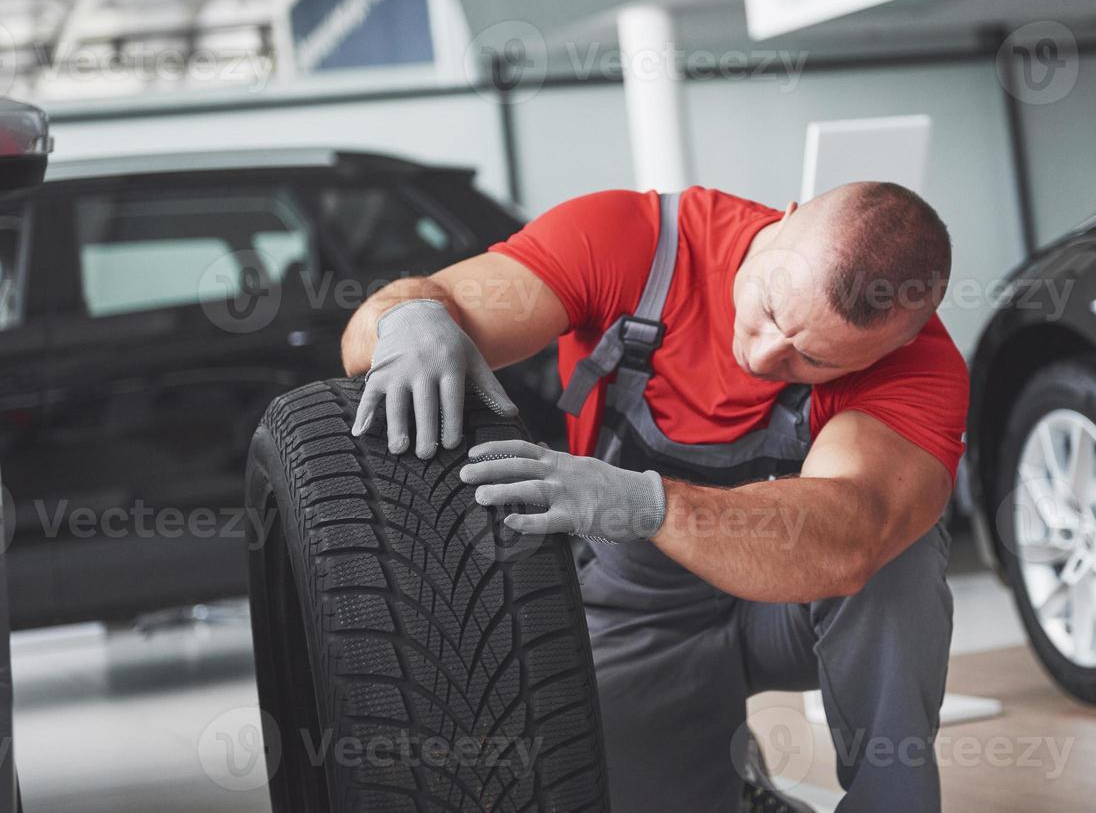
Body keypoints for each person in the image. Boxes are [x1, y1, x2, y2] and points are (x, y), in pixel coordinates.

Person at [341, 182, 968, 812]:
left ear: (891, 347)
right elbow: (410, 312)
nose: (763, 354)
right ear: (787, 219)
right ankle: (736, 784)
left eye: (813, 359)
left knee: (899, 553)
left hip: (794, 608)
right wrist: (411, 319)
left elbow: (848, 535)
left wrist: (646, 504)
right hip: (640, 609)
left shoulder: (920, 368)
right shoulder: (633, 241)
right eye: (773, 311)